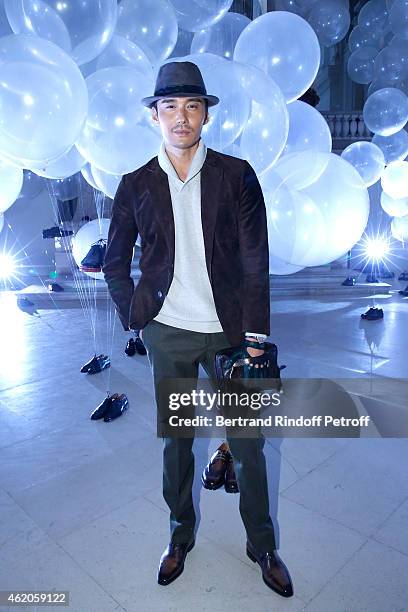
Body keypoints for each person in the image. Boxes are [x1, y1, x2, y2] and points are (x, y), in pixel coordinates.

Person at [103, 61, 293, 598]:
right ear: (155, 116)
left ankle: (262, 544)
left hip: (232, 334)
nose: (180, 118)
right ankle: (179, 535)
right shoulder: (136, 184)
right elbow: (115, 262)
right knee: (176, 443)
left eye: (191, 107)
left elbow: (256, 261)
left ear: (205, 114)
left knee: (248, 443)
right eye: (169, 107)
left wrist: (256, 334)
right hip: (170, 334)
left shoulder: (237, 176)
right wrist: (135, 316)